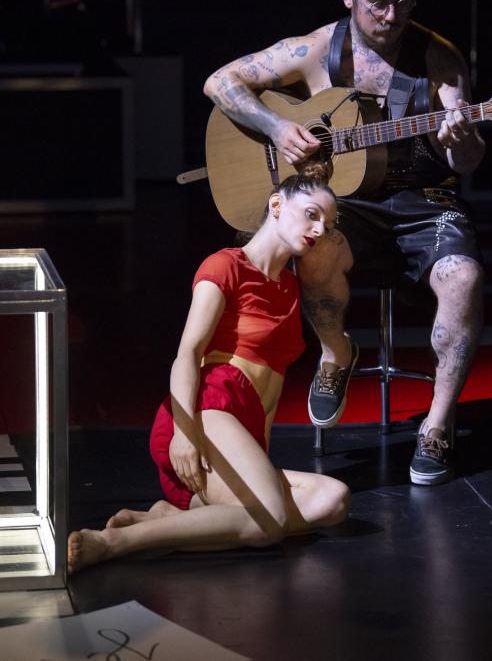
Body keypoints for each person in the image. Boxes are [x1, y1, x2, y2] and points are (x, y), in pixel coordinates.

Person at [203, 0, 485, 487]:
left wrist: (461, 137)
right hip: (345, 201)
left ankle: (437, 423)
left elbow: (469, 161)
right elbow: (220, 82)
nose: (392, 15)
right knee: (307, 242)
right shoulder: (313, 50)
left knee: (465, 277)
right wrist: (277, 127)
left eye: (403, 0)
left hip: (425, 201)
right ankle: (336, 352)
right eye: (378, 3)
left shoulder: (438, 57)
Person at [68, 168, 349, 573]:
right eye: (311, 214)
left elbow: (270, 394)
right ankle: (114, 542)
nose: (320, 229)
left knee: (332, 500)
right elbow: (188, 353)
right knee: (268, 520)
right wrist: (185, 432)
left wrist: (257, 458)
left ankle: (170, 520)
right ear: (276, 204)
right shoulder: (225, 265)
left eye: (329, 223)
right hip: (208, 410)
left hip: (242, 427)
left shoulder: (289, 286)